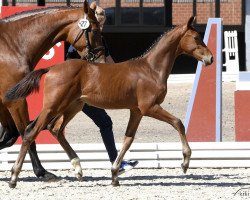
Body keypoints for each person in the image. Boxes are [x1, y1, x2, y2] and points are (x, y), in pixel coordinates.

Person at [66, 5, 138, 175]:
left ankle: (115, 162)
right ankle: (115, 162)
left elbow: (109, 62)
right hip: (79, 90)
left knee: (104, 122)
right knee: (105, 123)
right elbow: (68, 62)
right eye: (100, 25)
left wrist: (127, 74)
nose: (101, 29)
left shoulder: (100, 40)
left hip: (88, 89)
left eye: (103, 25)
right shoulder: (81, 39)